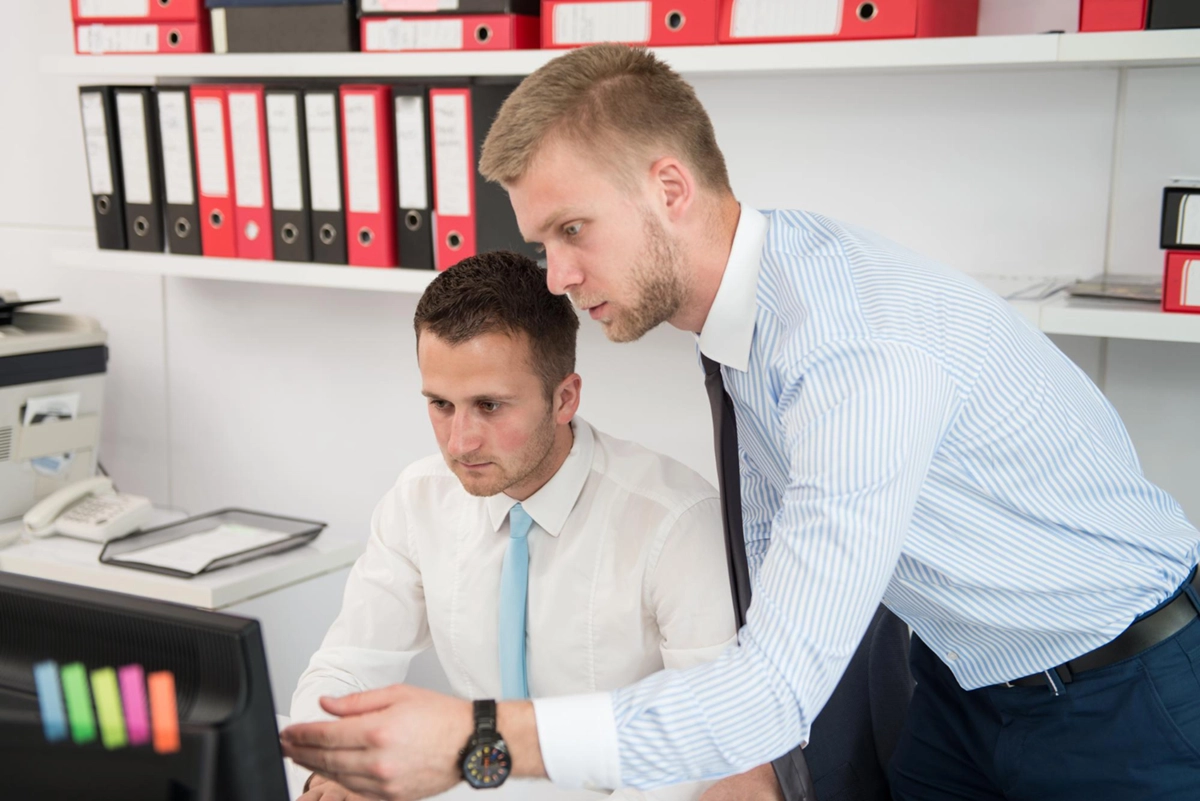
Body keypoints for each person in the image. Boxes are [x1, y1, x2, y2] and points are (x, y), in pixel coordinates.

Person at [282, 45, 1200, 801]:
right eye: (540, 243)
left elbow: (771, 694)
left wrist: (475, 738)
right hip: (966, 684)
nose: (555, 276)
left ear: (670, 190)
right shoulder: (737, 314)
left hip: (1124, 691)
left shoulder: (849, 352)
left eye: (572, 230)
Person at [286, 250, 738, 801]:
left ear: (563, 398)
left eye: (490, 406)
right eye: (441, 405)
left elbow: (713, 740)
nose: (460, 442)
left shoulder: (674, 522)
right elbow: (345, 670)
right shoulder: (418, 501)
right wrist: (330, 772)